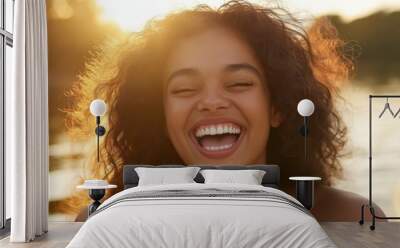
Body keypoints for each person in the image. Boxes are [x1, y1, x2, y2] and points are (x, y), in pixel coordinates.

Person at [59, 0, 383, 221]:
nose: (211, 101)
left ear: (277, 108)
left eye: (239, 84)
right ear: (161, 116)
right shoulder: (102, 220)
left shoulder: (349, 217)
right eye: (185, 89)